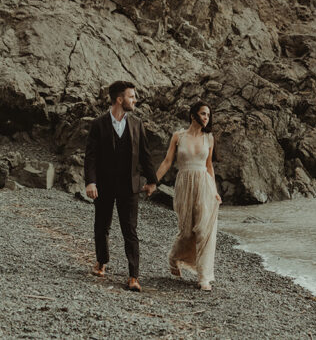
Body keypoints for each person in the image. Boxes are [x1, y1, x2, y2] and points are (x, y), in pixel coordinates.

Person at [84, 80, 157, 292]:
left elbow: (145, 154)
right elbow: (91, 156)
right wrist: (91, 181)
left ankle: (133, 276)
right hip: (104, 185)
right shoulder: (98, 124)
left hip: (129, 187)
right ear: (119, 99)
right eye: (131, 96)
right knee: (101, 226)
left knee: (130, 231)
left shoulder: (136, 123)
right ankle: (101, 261)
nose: (135, 100)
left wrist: (151, 180)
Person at [154, 101, 222, 290]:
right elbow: (167, 162)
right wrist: (153, 182)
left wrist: (215, 191)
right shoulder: (178, 136)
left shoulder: (209, 138)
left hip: (204, 184)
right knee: (186, 231)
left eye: (208, 115)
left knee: (203, 229)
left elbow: (209, 166)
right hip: (184, 184)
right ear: (193, 116)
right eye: (203, 114)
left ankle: (204, 277)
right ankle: (174, 257)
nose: (206, 117)